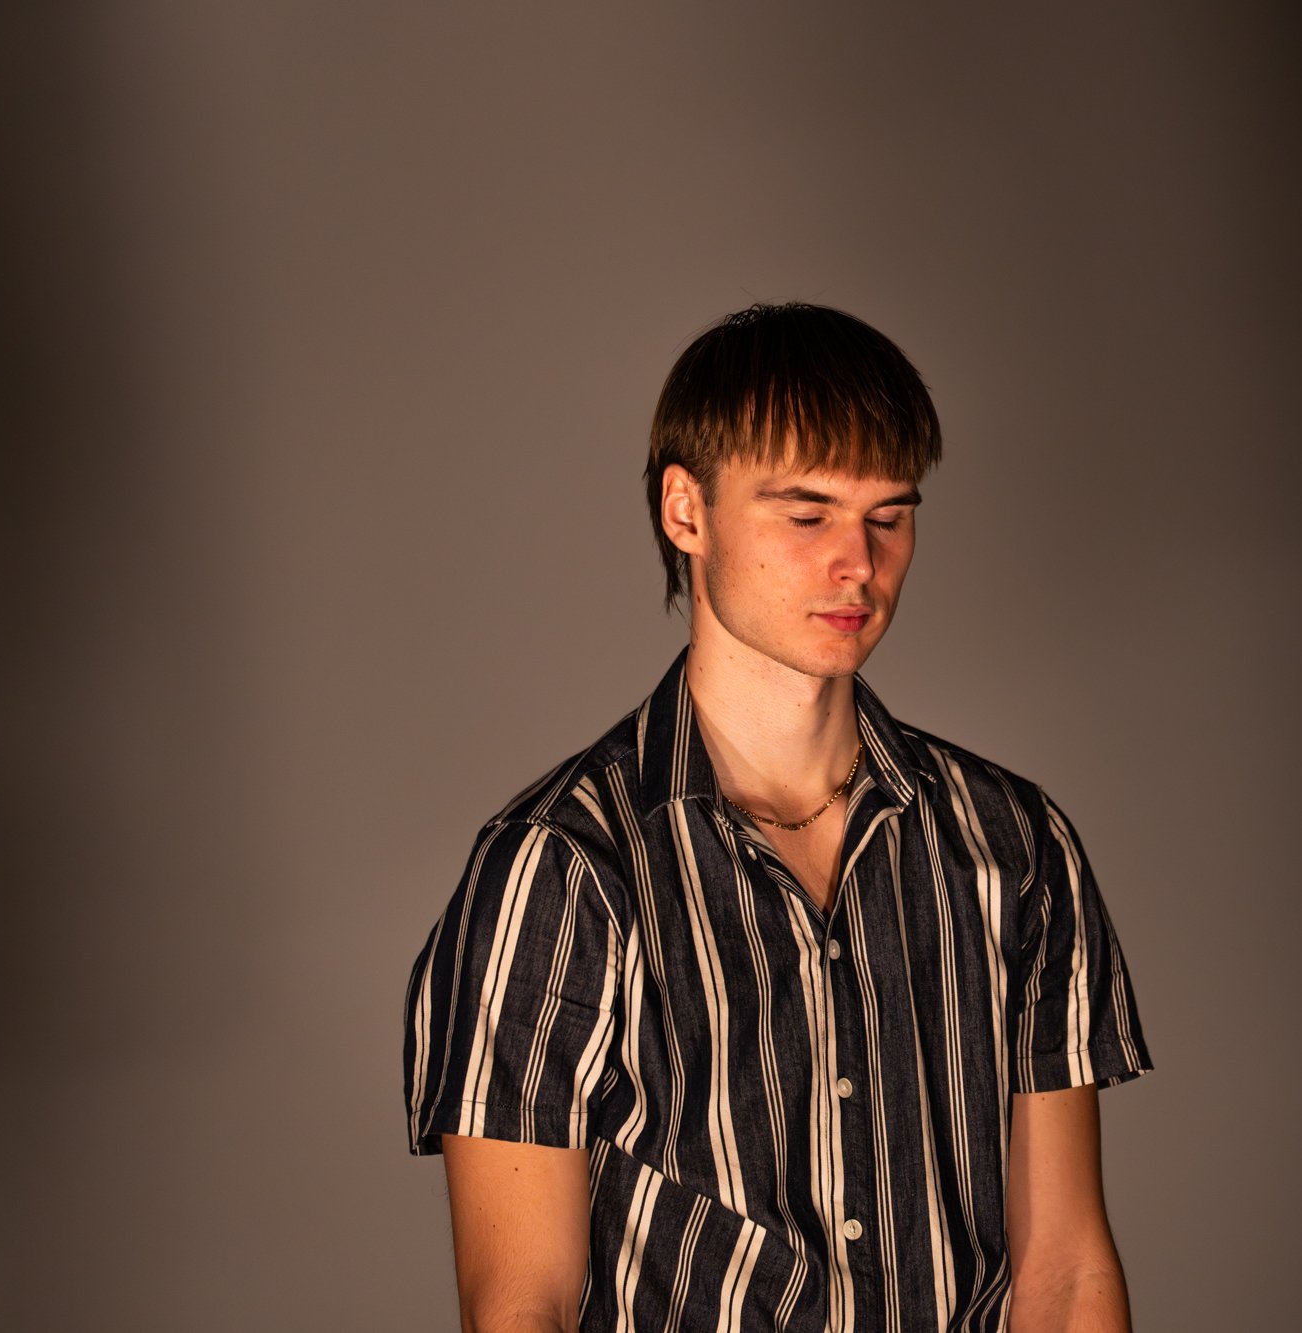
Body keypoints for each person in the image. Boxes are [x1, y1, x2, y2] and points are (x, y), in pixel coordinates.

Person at [403, 302, 1151, 1332]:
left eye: (889, 516)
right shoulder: (561, 866)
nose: (859, 562)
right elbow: (520, 1304)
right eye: (807, 516)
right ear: (686, 511)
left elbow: (1064, 1273)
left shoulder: (1012, 845)